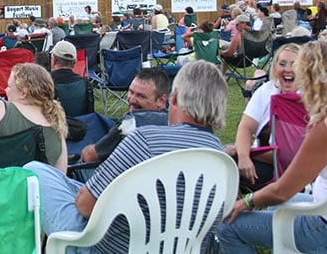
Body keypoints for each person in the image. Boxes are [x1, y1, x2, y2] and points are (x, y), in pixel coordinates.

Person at [25, 60, 227, 250]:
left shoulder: (143, 139)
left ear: (173, 98)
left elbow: (85, 206)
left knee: (35, 171)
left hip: (105, 247)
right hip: (175, 247)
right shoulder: (221, 159)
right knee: (66, 184)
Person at [216, 40, 327, 252]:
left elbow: (283, 190)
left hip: (319, 227)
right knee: (278, 204)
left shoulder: (322, 127)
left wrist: (247, 201)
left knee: (227, 226)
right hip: (319, 203)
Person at [225, 43, 301, 192]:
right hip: (261, 163)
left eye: (295, 64)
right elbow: (246, 127)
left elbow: (289, 155)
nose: (288, 69)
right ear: (274, 67)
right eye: (282, 63)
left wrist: (244, 152)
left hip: (294, 171)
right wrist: (244, 157)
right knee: (223, 160)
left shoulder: (310, 97)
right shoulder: (267, 90)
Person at [80, 68, 170, 163]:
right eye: (131, 92)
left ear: (161, 100)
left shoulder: (130, 123)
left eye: (141, 96)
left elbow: (89, 157)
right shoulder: (174, 123)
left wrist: (85, 150)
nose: (132, 100)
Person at [48, 40, 93, 118]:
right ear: (75, 62)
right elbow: (90, 114)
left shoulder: (44, 83)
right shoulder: (85, 83)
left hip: (54, 128)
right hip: (80, 127)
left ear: (54, 60)